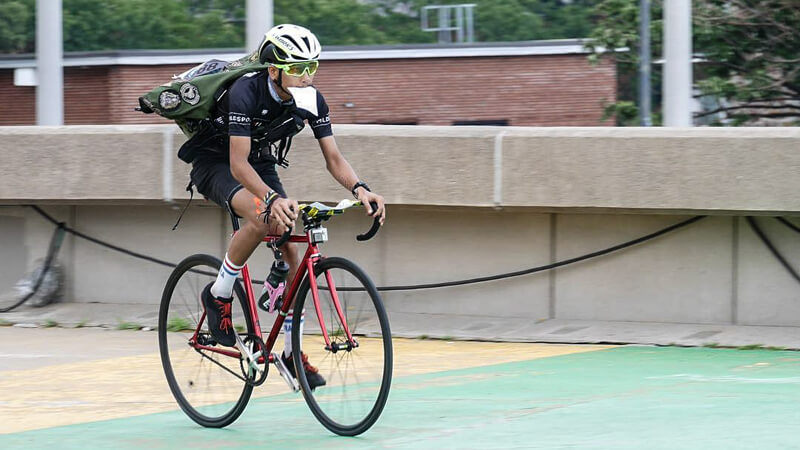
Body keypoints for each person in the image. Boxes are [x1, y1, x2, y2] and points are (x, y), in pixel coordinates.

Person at [190, 24, 386, 389]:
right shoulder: (245, 91)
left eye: (312, 67)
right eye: (297, 68)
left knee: (294, 252)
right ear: (274, 70)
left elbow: (333, 158)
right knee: (262, 217)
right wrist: (271, 199)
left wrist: (361, 189)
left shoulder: (312, 99)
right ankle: (218, 294)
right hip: (218, 162)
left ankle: (290, 353)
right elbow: (237, 164)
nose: (306, 76)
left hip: (260, 162)